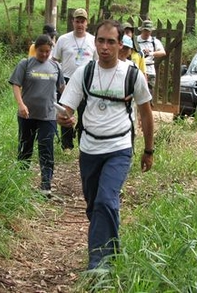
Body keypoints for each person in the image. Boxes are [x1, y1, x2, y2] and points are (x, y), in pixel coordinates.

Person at [57, 20, 154, 271]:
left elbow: (146, 114)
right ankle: (112, 247)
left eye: (111, 41)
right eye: (100, 40)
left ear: (120, 44)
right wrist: (64, 116)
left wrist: (148, 150)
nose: (105, 47)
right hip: (89, 149)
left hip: (119, 148)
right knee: (95, 206)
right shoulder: (84, 73)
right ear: (94, 42)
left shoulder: (132, 74)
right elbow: (67, 105)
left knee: (105, 200)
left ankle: (99, 264)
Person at [10, 35, 65, 197]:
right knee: (25, 148)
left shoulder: (56, 66)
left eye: (48, 51)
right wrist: (21, 105)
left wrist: (70, 107)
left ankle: (46, 185)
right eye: (41, 51)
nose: (44, 55)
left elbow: (62, 88)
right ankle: (19, 182)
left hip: (48, 116)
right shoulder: (25, 64)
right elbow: (16, 85)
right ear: (36, 49)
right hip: (27, 115)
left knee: (46, 149)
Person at [52, 8, 96, 150]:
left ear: (86, 23)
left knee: (85, 114)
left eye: (82, 21)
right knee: (65, 113)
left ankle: (83, 144)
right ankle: (66, 145)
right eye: (77, 21)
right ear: (73, 22)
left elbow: (97, 62)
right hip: (66, 80)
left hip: (86, 81)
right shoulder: (63, 39)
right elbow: (54, 60)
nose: (80, 24)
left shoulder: (93, 40)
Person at [136, 20, 166, 96]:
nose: (147, 33)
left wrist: (151, 53)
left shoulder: (154, 41)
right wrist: (141, 53)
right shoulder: (135, 40)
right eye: (145, 30)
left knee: (149, 93)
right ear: (142, 30)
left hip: (150, 70)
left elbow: (163, 52)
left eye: (149, 31)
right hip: (137, 68)